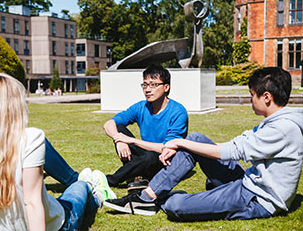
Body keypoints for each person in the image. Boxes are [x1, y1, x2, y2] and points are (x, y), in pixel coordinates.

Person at [104, 67, 303, 221]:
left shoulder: (282, 128)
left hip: (256, 198)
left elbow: (232, 150)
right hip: (248, 182)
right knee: (196, 138)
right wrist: (184, 144)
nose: (251, 100)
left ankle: (150, 196)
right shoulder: (276, 122)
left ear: (266, 97)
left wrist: (179, 142)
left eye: (252, 95)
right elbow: (237, 143)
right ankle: (147, 197)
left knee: (175, 205)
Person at [0, 73, 115, 230]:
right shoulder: (31, 137)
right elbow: (31, 201)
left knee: (72, 193)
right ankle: (95, 191)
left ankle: (95, 191)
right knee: (79, 187)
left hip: (46, 216)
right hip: (57, 224)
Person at [103, 64, 188, 190]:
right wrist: (119, 139)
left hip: (165, 160)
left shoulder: (178, 112)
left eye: (153, 85)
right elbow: (108, 124)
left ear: (166, 87)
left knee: (150, 156)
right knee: (119, 128)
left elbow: (166, 147)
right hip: (145, 155)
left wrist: (131, 140)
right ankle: (136, 174)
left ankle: (110, 180)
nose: (147, 89)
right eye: (145, 85)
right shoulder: (141, 107)